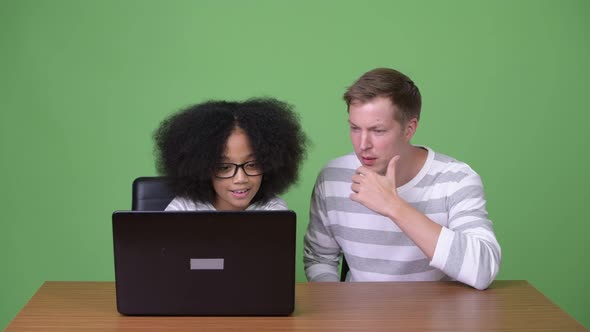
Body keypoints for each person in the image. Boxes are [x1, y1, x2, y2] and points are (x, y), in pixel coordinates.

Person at [303, 68, 501, 290]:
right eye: (355, 128)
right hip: (359, 317)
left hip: (436, 320)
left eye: (378, 131)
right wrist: (341, 305)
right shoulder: (333, 178)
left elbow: (483, 270)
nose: (363, 144)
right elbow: (319, 259)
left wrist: (394, 206)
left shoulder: (456, 179)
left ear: (409, 129)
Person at [153, 98, 308, 211]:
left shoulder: (273, 211)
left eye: (252, 165)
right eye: (224, 167)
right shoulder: (184, 208)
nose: (240, 179)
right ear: (202, 169)